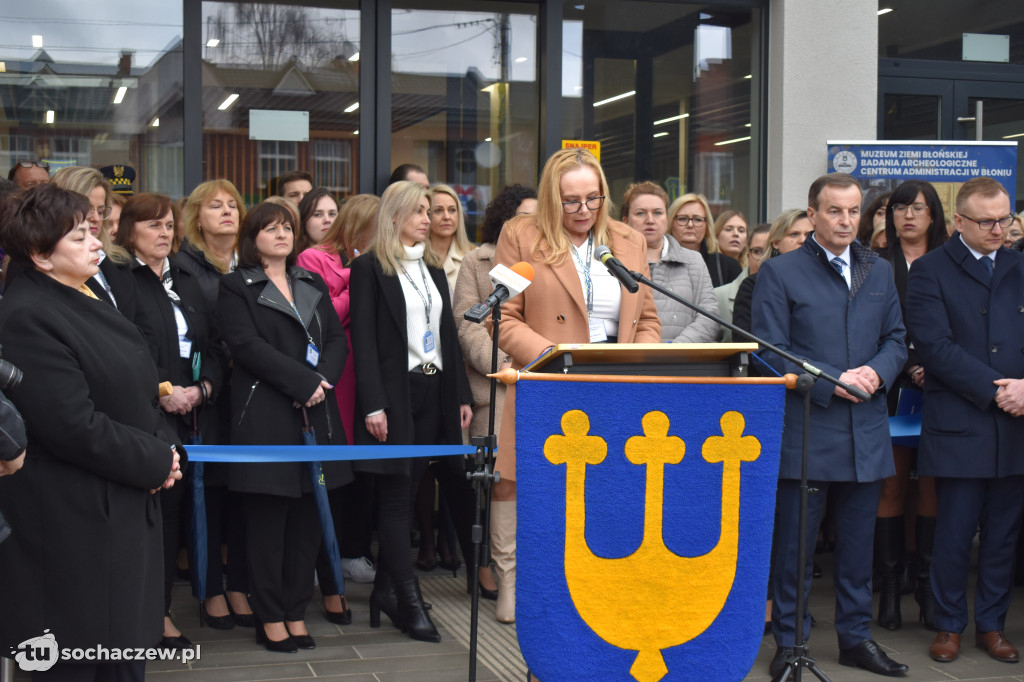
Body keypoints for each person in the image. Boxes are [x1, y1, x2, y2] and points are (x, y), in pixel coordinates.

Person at [0, 183, 182, 680]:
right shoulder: (25, 316)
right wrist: (154, 459)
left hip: (116, 506)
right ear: (40, 255)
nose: (97, 243)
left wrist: (164, 447)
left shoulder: (80, 296)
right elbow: (70, 425)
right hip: (72, 523)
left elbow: (138, 389)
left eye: (94, 231)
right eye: (80, 236)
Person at [492, 148, 661, 624]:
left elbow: (647, 319)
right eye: (571, 202)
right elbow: (502, 319)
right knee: (523, 486)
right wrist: (553, 358)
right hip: (548, 379)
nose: (584, 211)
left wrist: (635, 363)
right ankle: (513, 579)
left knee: (601, 489)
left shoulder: (629, 241)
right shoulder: (520, 236)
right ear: (551, 198)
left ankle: (594, 583)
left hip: (614, 385)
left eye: (593, 199)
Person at [752, 173, 908, 678]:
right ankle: (791, 646)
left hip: (865, 430)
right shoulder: (780, 273)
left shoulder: (878, 270)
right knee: (795, 551)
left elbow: (897, 339)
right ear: (813, 214)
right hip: (808, 430)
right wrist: (827, 382)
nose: (845, 221)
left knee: (858, 548)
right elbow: (768, 355)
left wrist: (876, 372)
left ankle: (855, 639)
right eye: (834, 211)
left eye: (853, 211)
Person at [218, 200, 352, 653]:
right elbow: (245, 345)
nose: (282, 235)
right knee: (267, 523)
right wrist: (301, 381)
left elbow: (335, 339)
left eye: (287, 228)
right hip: (266, 416)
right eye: (271, 228)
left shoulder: (309, 280)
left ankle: (296, 611)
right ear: (252, 237)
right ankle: (269, 615)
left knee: (308, 519)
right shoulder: (236, 285)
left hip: (317, 411)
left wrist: (321, 381)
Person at [905, 177, 1024, 665]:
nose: (999, 230)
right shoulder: (931, 270)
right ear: (958, 222)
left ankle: (992, 625)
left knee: (1003, 535)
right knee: (953, 533)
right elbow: (934, 346)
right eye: (988, 222)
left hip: (1017, 421)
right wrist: (999, 389)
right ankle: (949, 624)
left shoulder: (1020, 264)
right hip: (963, 418)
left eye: (1006, 220)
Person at [349, 180, 473, 643]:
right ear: (396, 215)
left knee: (417, 486)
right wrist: (373, 404)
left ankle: (386, 593)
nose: (428, 218)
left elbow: (447, 336)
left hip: (435, 391)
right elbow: (363, 341)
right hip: (396, 395)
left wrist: (459, 394)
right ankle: (409, 598)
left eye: (429, 210)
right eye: (420, 211)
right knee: (398, 499)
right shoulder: (369, 269)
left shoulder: (433, 268)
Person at [114, 193, 226, 641]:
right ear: (129, 231)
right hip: (144, 414)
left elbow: (214, 345)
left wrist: (203, 389)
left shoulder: (185, 276)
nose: (164, 233)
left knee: (178, 513)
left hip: (193, 414)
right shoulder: (119, 278)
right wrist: (163, 390)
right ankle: (148, 614)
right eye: (152, 226)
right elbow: (123, 348)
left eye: (168, 225)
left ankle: (162, 608)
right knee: (153, 514)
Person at [453, 183, 537, 620]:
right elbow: (467, 326)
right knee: (503, 484)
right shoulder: (477, 260)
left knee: (547, 484)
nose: (531, 224)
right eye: (523, 216)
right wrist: (510, 363)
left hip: (548, 383)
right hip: (503, 384)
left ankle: (540, 582)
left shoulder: (554, 258)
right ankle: (507, 582)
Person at [297, 193, 381, 622]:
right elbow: (323, 313)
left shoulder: (374, 258)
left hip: (361, 369)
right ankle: (319, 559)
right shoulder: (314, 258)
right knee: (331, 461)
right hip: (333, 369)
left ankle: (350, 550)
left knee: (355, 465)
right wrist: (355, 277)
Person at [174, 179, 253, 626]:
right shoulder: (182, 267)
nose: (226, 211)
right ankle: (210, 589)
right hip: (208, 395)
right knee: (210, 496)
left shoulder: (253, 263)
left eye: (233, 204)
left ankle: (240, 584)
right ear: (196, 217)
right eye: (215, 205)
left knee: (246, 493)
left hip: (255, 395)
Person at [872, 180, 947, 633]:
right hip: (890, 387)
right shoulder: (875, 264)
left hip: (941, 388)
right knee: (891, 487)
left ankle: (926, 588)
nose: (908, 215)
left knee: (933, 487)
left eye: (917, 208)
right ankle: (891, 590)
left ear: (934, 214)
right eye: (899, 207)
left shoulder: (949, 262)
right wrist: (907, 364)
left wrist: (930, 367)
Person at [621, 181, 718, 342]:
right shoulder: (613, 263)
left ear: (667, 219)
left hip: (683, 361)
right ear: (625, 221)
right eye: (640, 213)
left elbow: (709, 316)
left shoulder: (694, 260)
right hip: (633, 361)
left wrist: (676, 348)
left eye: (657, 213)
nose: (650, 220)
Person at [51, 167, 137, 317]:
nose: (96, 218)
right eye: (88, 209)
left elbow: (143, 320)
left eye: (101, 211)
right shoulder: (49, 264)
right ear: (61, 206)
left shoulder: (117, 259)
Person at [732, 209, 813, 335]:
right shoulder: (753, 285)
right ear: (776, 242)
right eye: (794, 234)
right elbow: (745, 342)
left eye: (809, 234)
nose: (803, 240)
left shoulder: (827, 279)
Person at [667, 192, 742, 286]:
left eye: (698, 219)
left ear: (707, 226)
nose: (690, 225)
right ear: (670, 223)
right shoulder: (655, 261)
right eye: (682, 219)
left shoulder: (728, 266)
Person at [715, 222, 769, 341]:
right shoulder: (718, 296)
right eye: (758, 251)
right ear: (748, 255)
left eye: (769, 252)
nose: (764, 259)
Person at [296, 188, 339, 254]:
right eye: (318, 215)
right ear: (303, 220)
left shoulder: (348, 253)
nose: (327, 220)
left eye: (332, 214)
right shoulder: (305, 257)